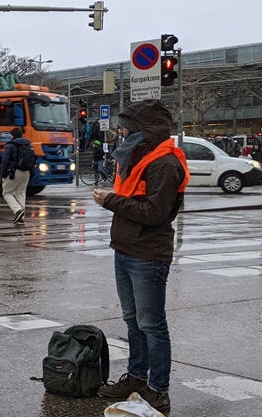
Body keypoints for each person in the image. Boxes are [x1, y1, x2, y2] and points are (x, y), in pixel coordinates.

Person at [92, 100, 189, 415]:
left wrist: (111, 201)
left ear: (142, 130)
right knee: (133, 320)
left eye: (126, 127)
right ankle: (136, 378)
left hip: (148, 253)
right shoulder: (138, 157)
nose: (121, 132)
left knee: (151, 323)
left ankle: (158, 391)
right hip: (125, 248)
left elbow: (156, 213)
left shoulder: (165, 163)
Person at [0, 127, 31, 225]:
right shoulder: (28, 144)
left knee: (7, 193)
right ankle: (21, 217)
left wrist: (3, 173)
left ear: (12, 135)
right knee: (21, 193)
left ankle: (18, 211)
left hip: (15, 171)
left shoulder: (10, 145)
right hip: (26, 172)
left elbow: (5, 161)